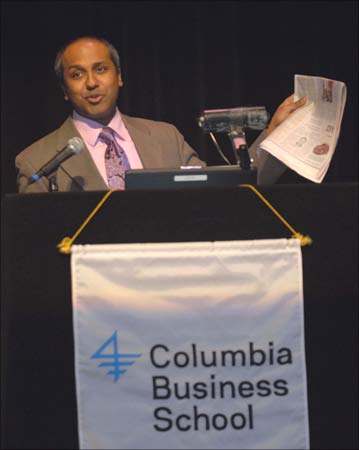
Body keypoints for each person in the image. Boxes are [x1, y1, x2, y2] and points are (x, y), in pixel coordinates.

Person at [15, 36, 306, 193]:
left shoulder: (166, 137)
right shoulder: (37, 161)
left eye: (101, 69)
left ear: (119, 77)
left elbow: (225, 195)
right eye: (77, 74)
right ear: (65, 89)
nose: (91, 82)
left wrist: (273, 136)